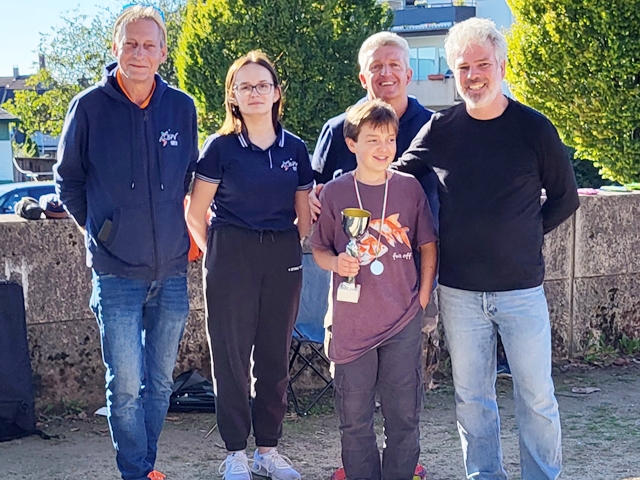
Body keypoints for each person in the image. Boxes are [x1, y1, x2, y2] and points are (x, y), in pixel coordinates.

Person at [394, 18, 580, 479]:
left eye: (482, 64)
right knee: (472, 400)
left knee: (536, 397)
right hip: (459, 292)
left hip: (521, 290)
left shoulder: (534, 129)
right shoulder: (441, 128)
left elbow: (566, 198)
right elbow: (395, 177)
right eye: (463, 67)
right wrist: (335, 191)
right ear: (453, 73)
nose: (473, 75)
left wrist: (526, 233)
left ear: (502, 66)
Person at [54, 5, 198, 480]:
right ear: (116, 48)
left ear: (162, 53)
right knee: (126, 387)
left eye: (148, 45)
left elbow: (190, 176)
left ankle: (144, 466)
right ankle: (136, 473)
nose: (139, 53)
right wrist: (99, 231)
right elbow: (68, 179)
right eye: (130, 43)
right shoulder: (89, 107)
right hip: (115, 272)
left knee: (159, 384)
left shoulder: (182, 107)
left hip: (172, 269)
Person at [185, 51, 312, 480]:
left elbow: (304, 216)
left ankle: (268, 450)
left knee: (274, 356)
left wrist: (286, 243)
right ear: (233, 96)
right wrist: (219, 254)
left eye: (262, 85)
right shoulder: (219, 147)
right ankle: (235, 452)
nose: (254, 93)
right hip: (230, 251)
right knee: (231, 357)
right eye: (245, 87)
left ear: (276, 93)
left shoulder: (295, 148)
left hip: (282, 252)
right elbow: (195, 214)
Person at [311, 99, 438, 480]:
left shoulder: (409, 188)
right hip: (351, 326)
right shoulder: (335, 192)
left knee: (404, 416)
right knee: (354, 420)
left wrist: (423, 296)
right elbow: (319, 249)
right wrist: (337, 263)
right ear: (352, 143)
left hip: (401, 320)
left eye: (389, 139)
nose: (383, 148)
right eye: (372, 139)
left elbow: (428, 244)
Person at [308, 31, 441, 389]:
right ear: (362, 77)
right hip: (354, 287)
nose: (386, 73)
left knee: (405, 394)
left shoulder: (434, 128)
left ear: (408, 74)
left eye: (394, 65)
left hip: (411, 282)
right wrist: (308, 199)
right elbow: (314, 195)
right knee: (355, 396)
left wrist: (424, 294)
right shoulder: (337, 130)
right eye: (376, 66)